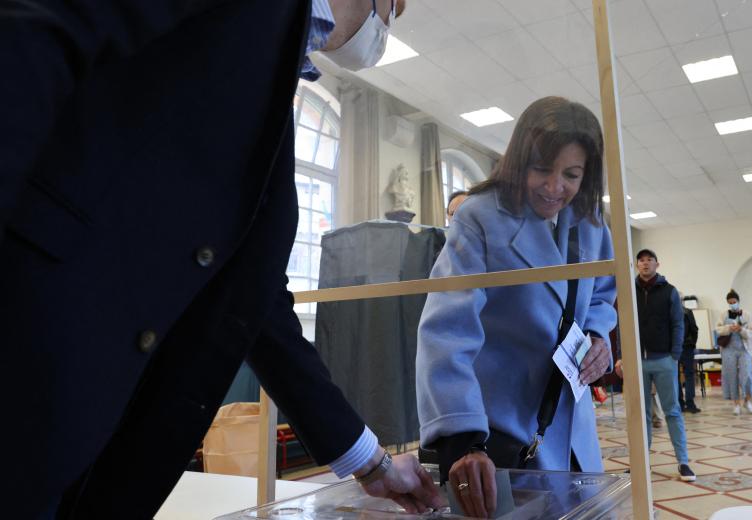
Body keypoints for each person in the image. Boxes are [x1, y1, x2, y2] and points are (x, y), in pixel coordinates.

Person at [0, 1, 444, 518]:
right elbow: (38, 32)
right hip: (30, 362)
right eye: (390, 12)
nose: (382, 30)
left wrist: (370, 461)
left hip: (82, 430)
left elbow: (254, 299)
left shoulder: (268, 73)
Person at [416, 96, 617, 518]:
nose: (554, 187)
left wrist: (598, 335)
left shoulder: (591, 222)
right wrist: (463, 440)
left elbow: (601, 293)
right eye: (541, 168)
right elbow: (447, 333)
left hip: (574, 429)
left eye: (572, 174)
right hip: (500, 435)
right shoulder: (480, 217)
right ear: (518, 159)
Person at [634, 249, 696, 482]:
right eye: (641, 260)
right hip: (638, 361)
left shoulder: (669, 291)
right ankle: (642, 464)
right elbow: (623, 325)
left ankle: (683, 462)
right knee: (642, 415)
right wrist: (622, 355)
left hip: (664, 360)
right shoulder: (630, 291)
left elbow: (678, 324)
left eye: (649, 260)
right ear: (636, 264)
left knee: (672, 411)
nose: (645, 263)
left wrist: (675, 355)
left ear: (657, 264)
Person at [716, 289, 752, 415]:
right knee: (730, 375)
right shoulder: (723, 315)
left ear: (738, 301)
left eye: (734, 302)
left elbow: (751, 333)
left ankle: (748, 401)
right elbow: (718, 329)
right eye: (730, 302)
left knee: (747, 374)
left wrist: (740, 329)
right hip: (728, 349)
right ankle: (736, 404)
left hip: (744, 348)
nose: (732, 304)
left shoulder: (747, 315)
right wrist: (729, 328)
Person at [678, 294, 701, 413]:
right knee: (688, 375)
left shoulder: (669, 312)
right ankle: (689, 403)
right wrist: (692, 343)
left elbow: (694, 329)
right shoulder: (686, 312)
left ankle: (683, 404)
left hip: (678, 347)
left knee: (678, 376)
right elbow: (694, 329)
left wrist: (691, 343)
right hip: (684, 347)